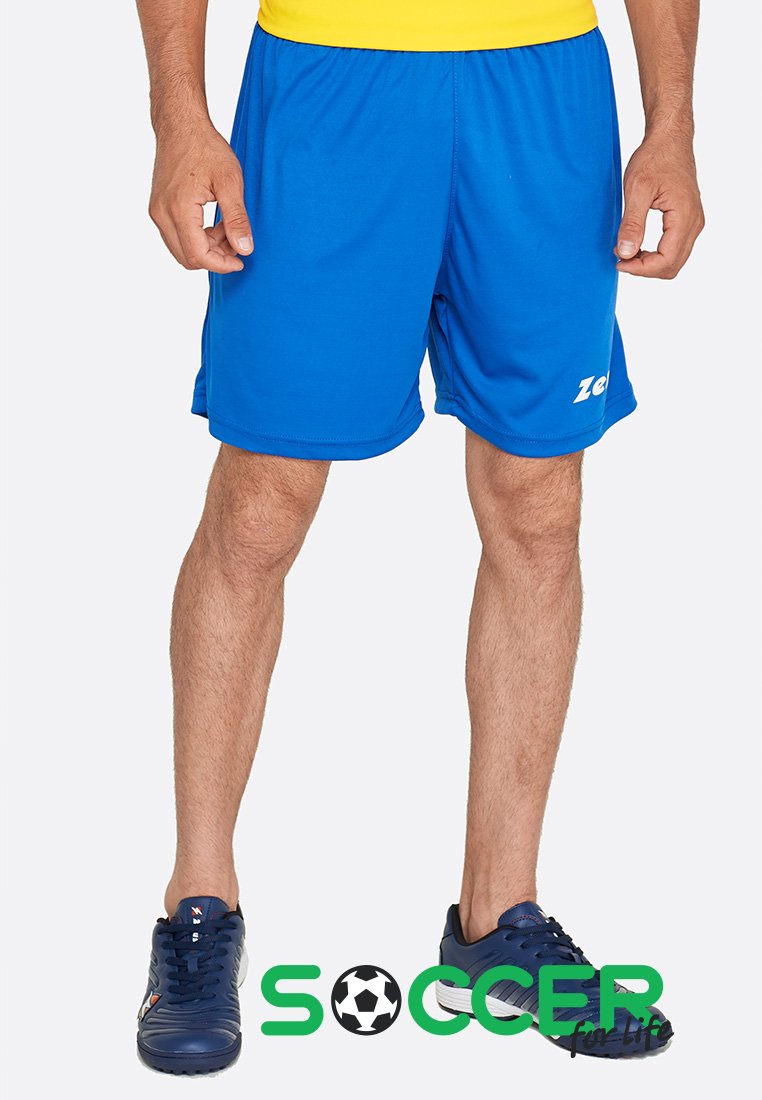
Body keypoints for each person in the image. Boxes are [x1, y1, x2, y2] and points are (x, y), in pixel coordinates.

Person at [134, 0, 703, 1072]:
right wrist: (179, 115)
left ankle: (500, 921)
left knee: (540, 503)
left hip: (542, 84)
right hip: (330, 80)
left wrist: (671, 119)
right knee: (261, 504)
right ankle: (199, 909)